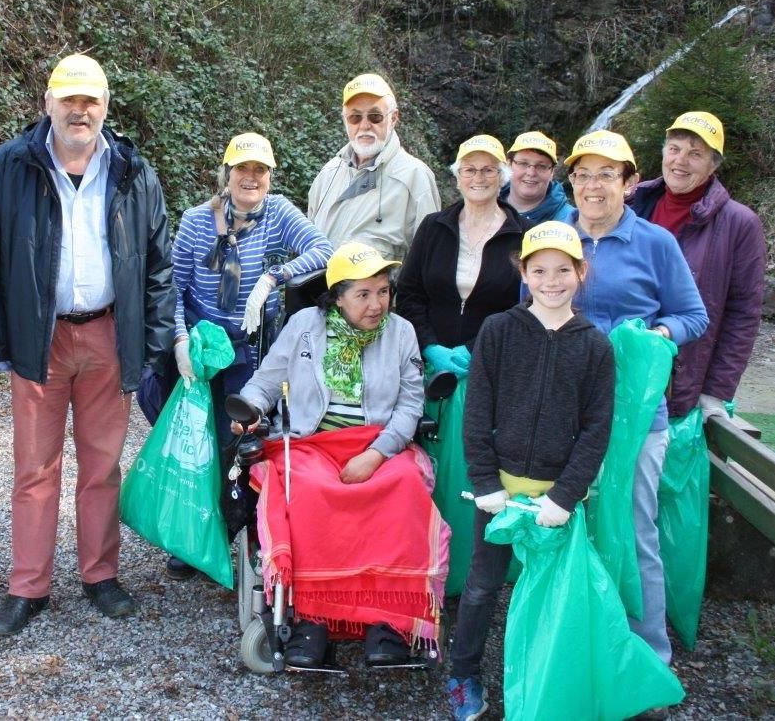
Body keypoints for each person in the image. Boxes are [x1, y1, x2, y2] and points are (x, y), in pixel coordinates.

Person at [0, 54, 175, 637]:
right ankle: (28, 586)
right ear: (48, 104)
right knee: (35, 469)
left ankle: (100, 576)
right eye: (69, 100)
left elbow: (159, 262)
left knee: (103, 466)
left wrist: (153, 340)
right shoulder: (11, 165)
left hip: (108, 333)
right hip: (40, 337)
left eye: (91, 101)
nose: (80, 111)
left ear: (106, 107)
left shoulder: (132, 169)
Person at [233, 241, 446, 668]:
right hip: (311, 441)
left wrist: (376, 454)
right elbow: (266, 382)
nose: (376, 304)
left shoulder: (401, 332)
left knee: (402, 486)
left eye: (383, 291)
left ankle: (389, 622)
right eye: (363, 294)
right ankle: (313, 620)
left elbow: (410, 406)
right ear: (337, 296)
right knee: (306, 491)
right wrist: (248, 410)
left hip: (378, 442)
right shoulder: (304, 325)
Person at [447, 221, 615, 721]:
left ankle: (546, 677)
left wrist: (565, 497)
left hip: (555, 500)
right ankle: (463, 674)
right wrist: (484, 483)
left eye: (563, 270)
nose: (551, 280)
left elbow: (595, 429)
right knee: (480, 586)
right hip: (499, 492)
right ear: (523, 272)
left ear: (580, 273)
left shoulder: (595, 346)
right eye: (539, 270)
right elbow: (477, 411)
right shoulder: (498, 331)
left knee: (552, 596)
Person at [565, 129, 708, 664]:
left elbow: (693, 316)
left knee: (634, 523)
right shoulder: (554, 236)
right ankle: (585, 640)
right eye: (583, 175)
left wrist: (656, 336)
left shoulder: (655, 243)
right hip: (569, 412)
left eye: (607, 174)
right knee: (569, 522)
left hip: (637, 415)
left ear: (629, 184)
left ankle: (649, 653)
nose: (593, 186)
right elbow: (528, 309)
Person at [166, 131, 332, 579]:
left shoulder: (277, 213)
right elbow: (174, 289)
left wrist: (274, 277)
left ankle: (253, 528)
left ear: (270, 176)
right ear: (227, 173)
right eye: (243, 169)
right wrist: (180, 341)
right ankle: (195, 536)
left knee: (243, 440)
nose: (251, 178)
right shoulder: (198, 221)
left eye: (260, 170)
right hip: (201, 349)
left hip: (250, 347)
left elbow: (324, 250)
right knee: (197, 444)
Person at [629, 112, 766, 422]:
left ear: (713, 165)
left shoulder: (740, 224)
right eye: (675, 148)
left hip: (682, 382)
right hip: (621, 373)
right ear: (663, 152)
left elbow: (743, 314)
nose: (681, 160)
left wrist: (717, 390)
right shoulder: (631, 203)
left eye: (696, 153)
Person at [395, 134, 525, 377]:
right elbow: (408, 294)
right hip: (428, 368)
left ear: (502, 178)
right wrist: (430, 347)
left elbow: (526, 306)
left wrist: (475, 349)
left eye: (488, 170)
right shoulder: (433, 227)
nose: (478, 178)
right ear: (458, 178)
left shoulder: (524, 234)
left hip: (496, 367)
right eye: (469, 170)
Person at [307, 73, 440, 260]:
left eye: (375, 116)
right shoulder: (328, 173)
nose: (364, 125)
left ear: (393, 118)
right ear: (345, 120)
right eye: (355, 117)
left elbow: (430, 259)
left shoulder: (415, 177)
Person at [500, 130, 574, 224]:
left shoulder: (571, 220)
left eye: (541, 166)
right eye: (523, 163)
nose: (531, 173)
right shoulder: (484, 205)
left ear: (552, 172)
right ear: (509, 165)